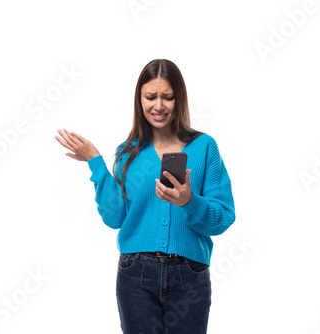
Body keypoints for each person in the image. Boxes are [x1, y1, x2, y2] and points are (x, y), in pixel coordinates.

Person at [54, 59, 236, 334]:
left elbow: (223, 217)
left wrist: (189, 201)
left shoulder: (204, 147)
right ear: (139, 100)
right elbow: (116, 218)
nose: (159, 106)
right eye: (150, 97)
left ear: (180, 99)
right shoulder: (128, 152)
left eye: (168, 97)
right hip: (135, 272)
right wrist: (96, 163)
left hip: (190, 274)